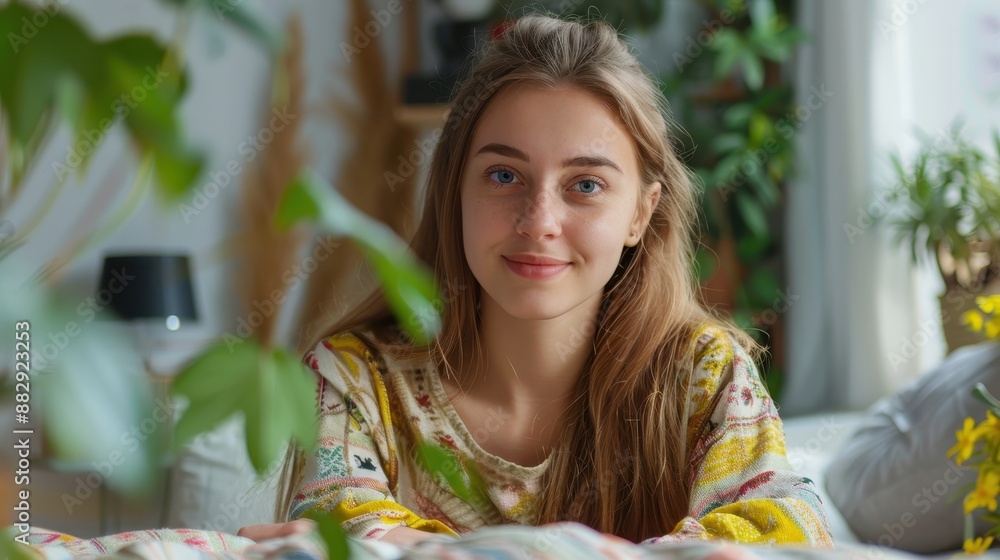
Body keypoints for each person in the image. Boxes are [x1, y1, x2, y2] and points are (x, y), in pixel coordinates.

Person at [238, 14, 833, 550]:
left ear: (640, 213)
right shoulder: (355, 377)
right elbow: (341, 531)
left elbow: (787, 529)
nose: (538, 222)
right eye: (504, 175)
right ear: (454, 192)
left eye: (586, 185)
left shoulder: (702, 372)